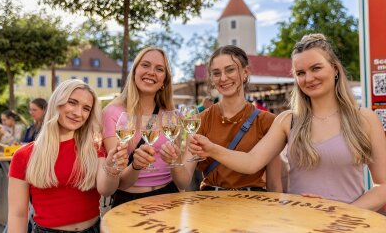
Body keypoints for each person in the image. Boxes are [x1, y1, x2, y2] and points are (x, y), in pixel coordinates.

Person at [189, 34, 386, 211]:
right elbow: (251, 162)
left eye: (316, 68)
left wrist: (343, 212)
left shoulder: (365, 119)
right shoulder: (288, 120)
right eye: (300, 73)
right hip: (299, 223)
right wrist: (212, 149)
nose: (309, 78)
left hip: (348, 226)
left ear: (334, 69)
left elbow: (383, 186)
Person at [8, 79, 128, 232]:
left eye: (86, 108)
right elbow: (17, 214)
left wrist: (112, 168)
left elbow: (106, 190)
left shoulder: (94, 147)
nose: (78, 113)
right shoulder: (24, 155)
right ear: (57, 102)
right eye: (72, 102)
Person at [160, 45, 283, 192]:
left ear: (245, 72)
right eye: (216, 73)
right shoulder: (200, 120)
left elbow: (274, 184)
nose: (223, 78)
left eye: (230, 70)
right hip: (211, 205)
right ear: (211, 79)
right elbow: (183, 182)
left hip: (254, 206)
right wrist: (174, 161)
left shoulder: (268, 121)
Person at [101, 46, 179, 206]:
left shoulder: (170, 114)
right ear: (134, 71)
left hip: (170, 196)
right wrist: (136, 166)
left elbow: (179, 171)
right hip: (131, 200)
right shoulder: (113, 112)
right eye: (145, 65)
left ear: (164, 80)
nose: (151, 72)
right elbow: (118, 180)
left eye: (159, 69)